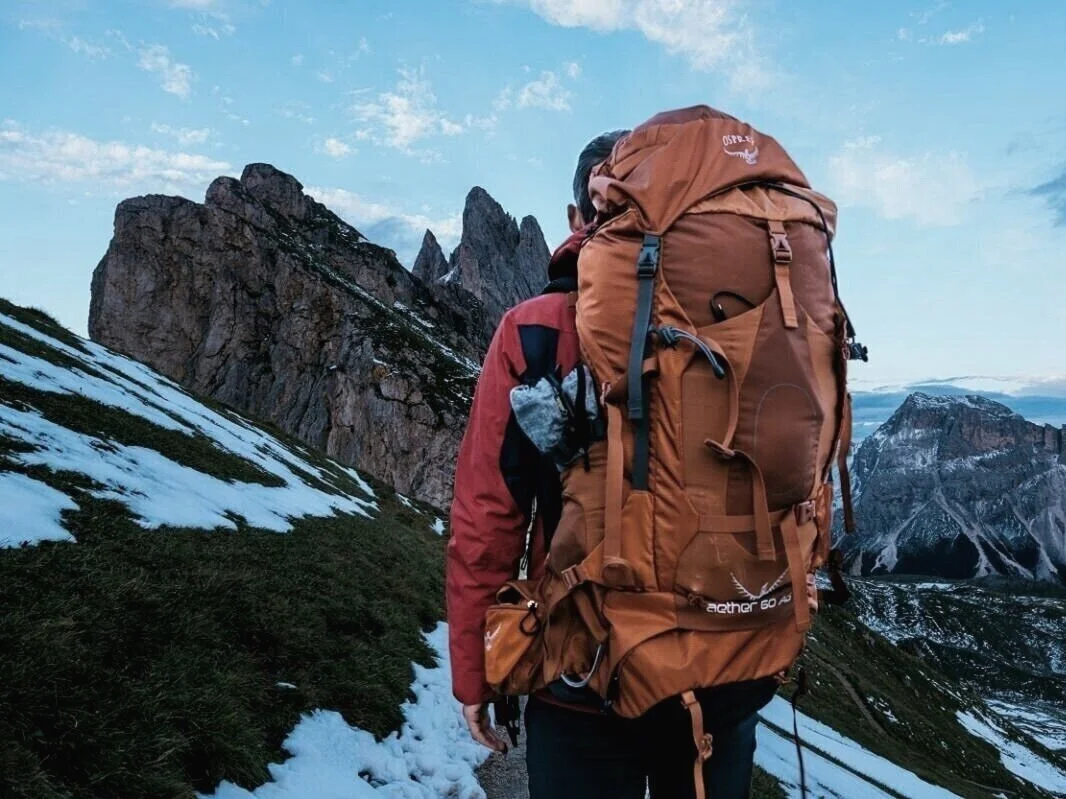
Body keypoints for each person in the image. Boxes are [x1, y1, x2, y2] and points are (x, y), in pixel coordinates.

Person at [445, 129, 779, 799]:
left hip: (580, 674)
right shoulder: (742, 317)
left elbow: (489, 516)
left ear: (577, 220)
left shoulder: (534, 328)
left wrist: (475, 675)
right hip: (719, 666)